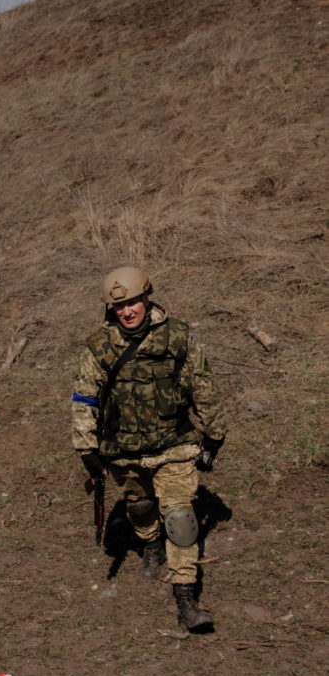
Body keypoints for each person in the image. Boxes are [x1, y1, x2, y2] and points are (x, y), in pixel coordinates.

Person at [71, 267, 228, 632]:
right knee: (139, 507)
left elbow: (203, 386)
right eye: (119, 306)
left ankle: (186, 600)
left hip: (174, 446)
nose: (127, 311)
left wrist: (214, 434)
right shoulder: (99, 346)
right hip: (124, 451)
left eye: (133, 303)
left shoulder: (178, 336)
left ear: (147, 298)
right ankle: (150, 543)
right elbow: (83, 398)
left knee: (181, 519)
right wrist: (86, 448)